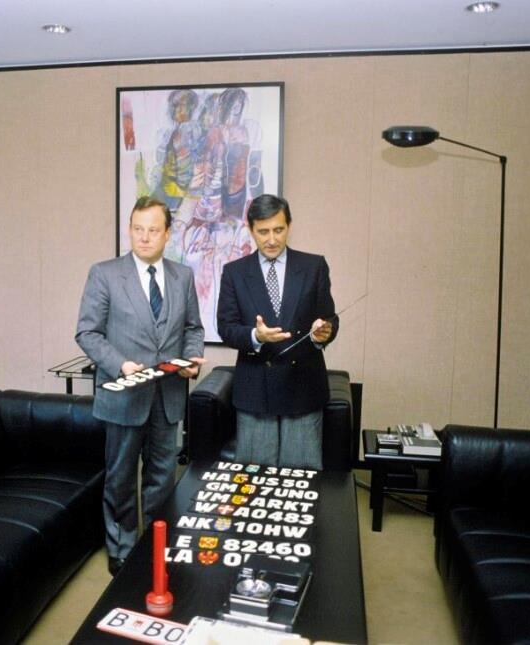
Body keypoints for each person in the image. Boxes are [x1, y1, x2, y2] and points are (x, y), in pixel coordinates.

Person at [76, 196, 205, 575]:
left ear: (167, 234)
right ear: (129, 230)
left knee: (163, 478)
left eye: (153, 230)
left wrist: (191, 359)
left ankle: (156, 546)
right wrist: (121, 365)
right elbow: (87, 332)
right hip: (123, 395)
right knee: (120, 479)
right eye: (137, 229)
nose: (144, 237)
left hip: (168, 396)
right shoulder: (104, 274)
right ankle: (121, 549)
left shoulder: (183, 277)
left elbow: (193, 329)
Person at [217, 194, 337, 469]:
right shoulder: (234, 272)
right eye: (263, 232)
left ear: (289, 226)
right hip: (255, 391)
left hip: (303, 388)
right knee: (253, 482)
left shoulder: (314, 266)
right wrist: (255, 337)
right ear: (250, 230)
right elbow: (226, 327)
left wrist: (323, 333)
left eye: (278, 230)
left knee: (301, 480)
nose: (272, 239)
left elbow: (329, 318)